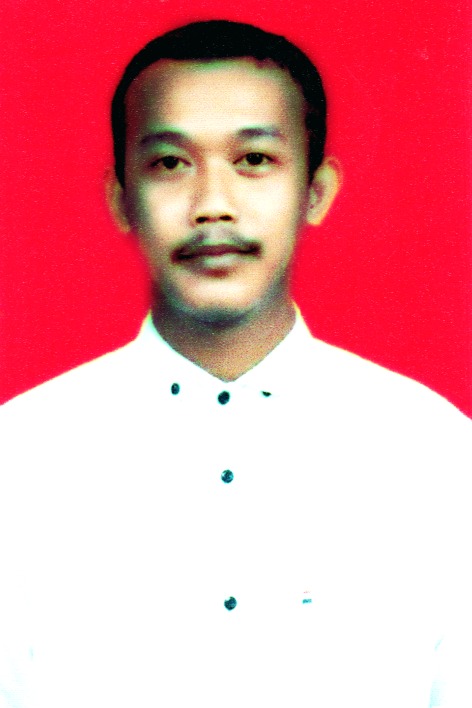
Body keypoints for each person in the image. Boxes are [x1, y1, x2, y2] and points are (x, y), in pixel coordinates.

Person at [0, 19, 470, 708]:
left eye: (254, 159)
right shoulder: (21, 455)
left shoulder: (434, 451)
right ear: (120, 198)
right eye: (170, 164)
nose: (212, 206)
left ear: (316, 191)